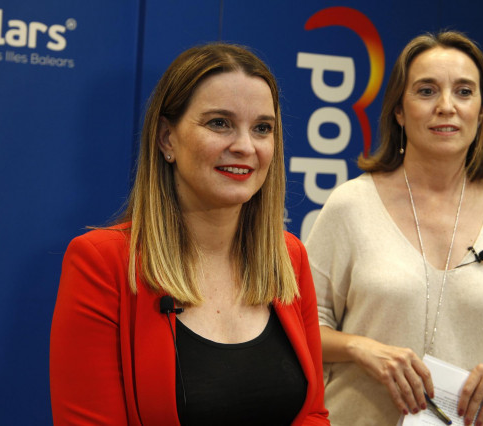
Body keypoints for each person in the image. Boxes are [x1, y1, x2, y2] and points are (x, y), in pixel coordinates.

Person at [50, 43, 329, 426]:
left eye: (262, 128)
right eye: (219, 123)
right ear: (167, 138)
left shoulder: (289, 256)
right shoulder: (103, 262)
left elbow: (312, 414)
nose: (245, 146)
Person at [305, 31, 483, 426]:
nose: (446, 106)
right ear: (399, 111)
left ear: (481, 112)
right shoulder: (351, 205)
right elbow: (302, 322)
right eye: (427, 91)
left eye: (464, 92)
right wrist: (359, 348)